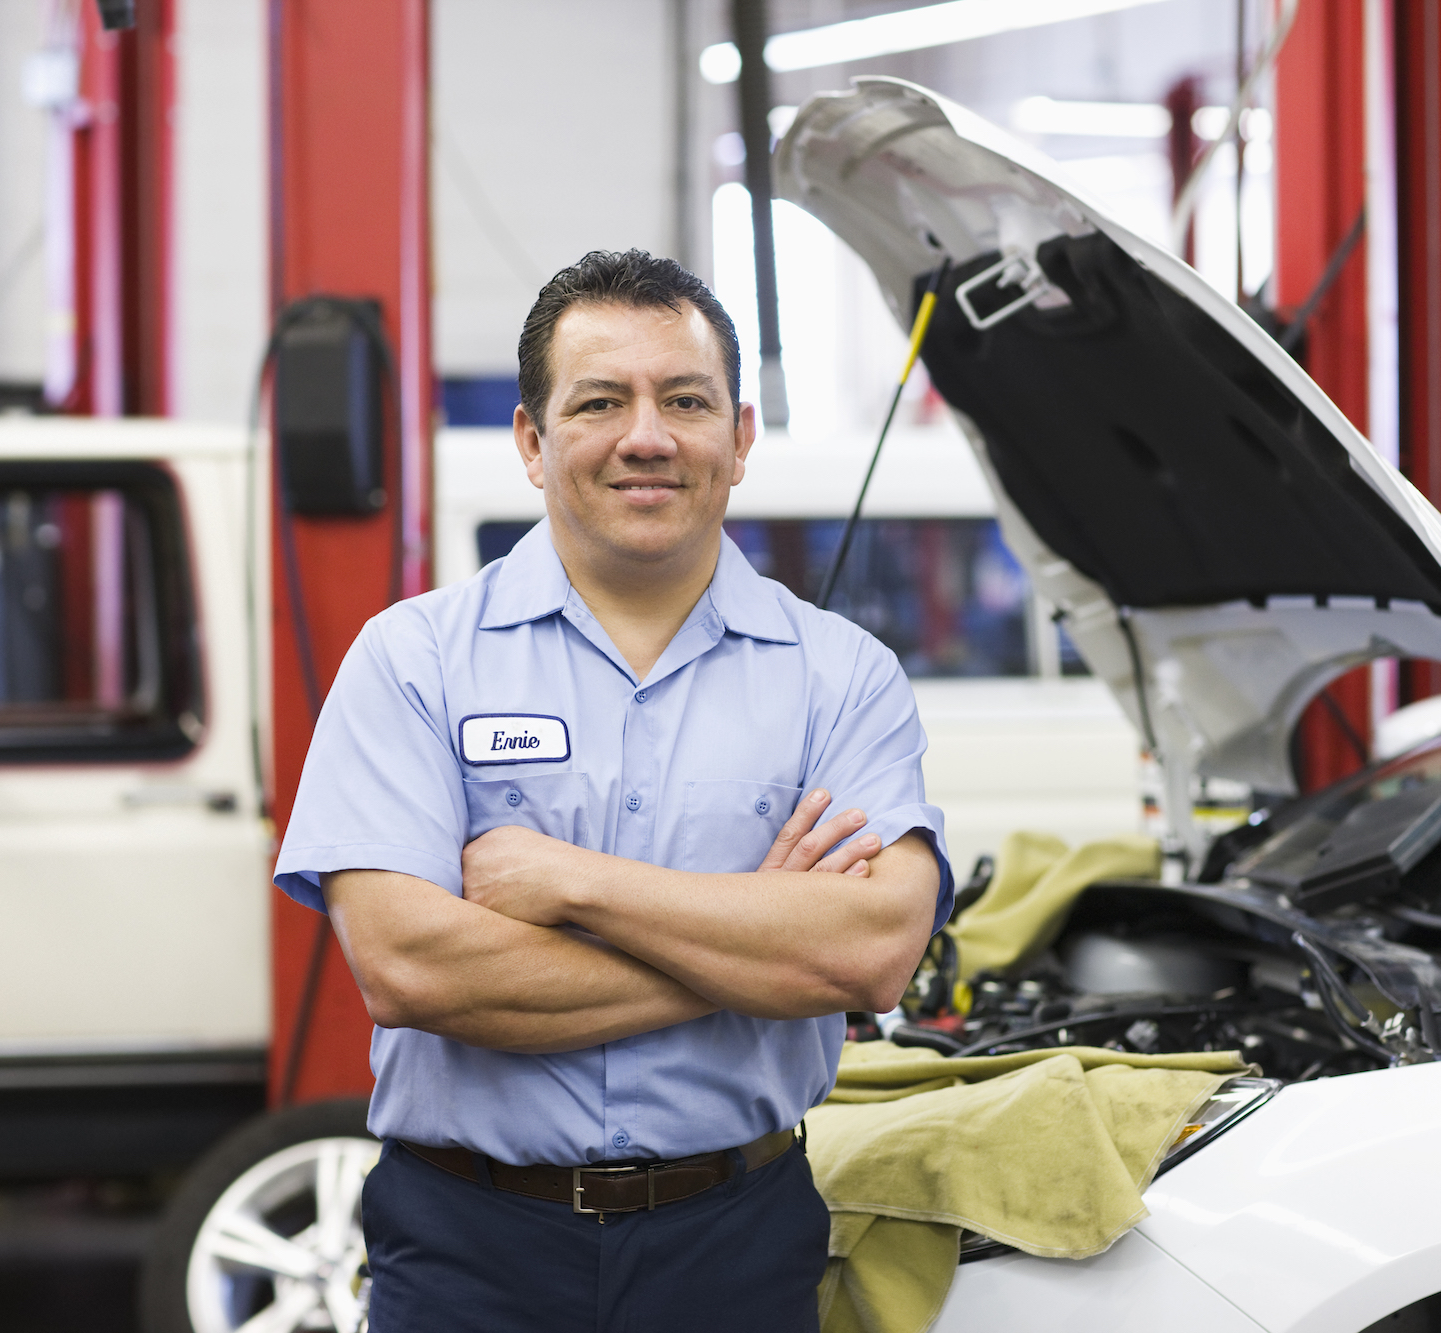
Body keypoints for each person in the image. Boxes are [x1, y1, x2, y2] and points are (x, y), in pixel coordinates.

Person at [274, 249, 951, 1331]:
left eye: (686, 400)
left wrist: (568, 882)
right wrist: (759, 947)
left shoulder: (841, 676)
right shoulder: (413, 661)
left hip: (734, 1239)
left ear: (738, 442)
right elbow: (408, 966)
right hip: (469, 1247)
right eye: (600, 402)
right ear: (533, 444)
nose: (647, 435)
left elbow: (868, 952)